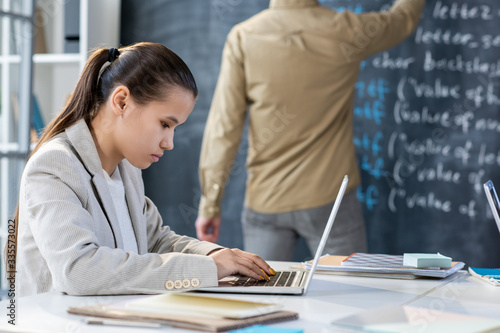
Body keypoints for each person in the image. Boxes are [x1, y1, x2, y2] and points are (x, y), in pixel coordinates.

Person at [13, 42, 275, 297]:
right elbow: (79, 271)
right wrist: (209, 268)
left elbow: (155, 242)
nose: (169, 143)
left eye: (174, 128)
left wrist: (217, 256)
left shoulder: (126, 168)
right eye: (164, 124)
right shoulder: (54, 166)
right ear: (122, 102)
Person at [196, 0, 426, 260]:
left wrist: (209, 203)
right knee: (353, 293)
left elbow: (224, 128)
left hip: (267, 200)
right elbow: (403, 18)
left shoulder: (244, 37)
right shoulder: (346, 30)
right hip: (331, 199)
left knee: (261, 295)